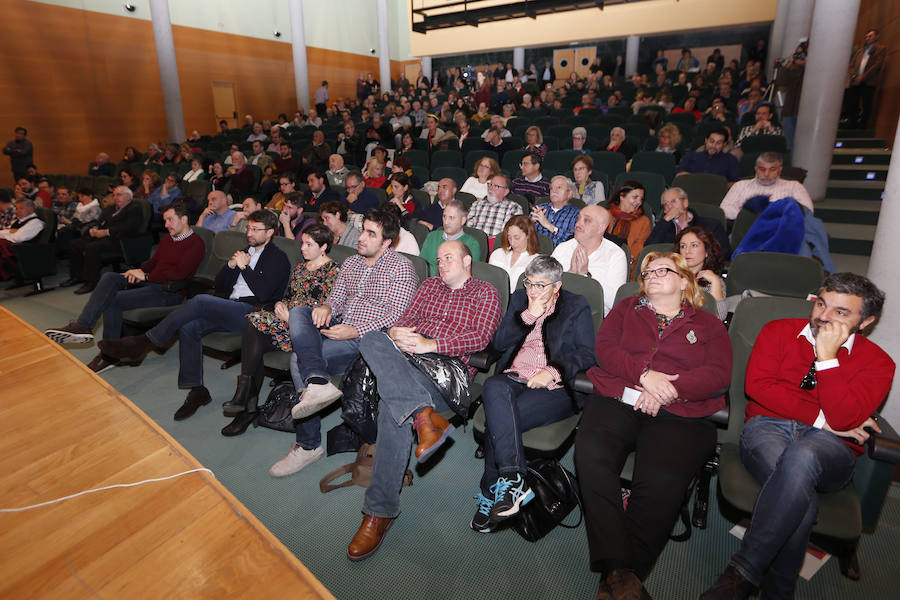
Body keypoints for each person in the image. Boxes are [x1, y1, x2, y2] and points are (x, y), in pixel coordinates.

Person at [700, 273, 894, 600]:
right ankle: (778, 593)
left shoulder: (878, 363)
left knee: (803, 456)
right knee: (799, 499)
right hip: (767, 429)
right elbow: (758, 388)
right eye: (821, 303)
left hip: (831, 450)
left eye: (841, 312)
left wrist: (827, 359)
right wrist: (823, 420)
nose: (823, 316)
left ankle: (744, 571)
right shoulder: (777, 331)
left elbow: (844, 418)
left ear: (866, 321)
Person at [576, 252, 732, 599]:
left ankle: (614, 581)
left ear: (683, 281)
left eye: (664, 270)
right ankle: (620, 571)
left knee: (662, 478)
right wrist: (644, 376)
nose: (652, 275)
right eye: (648, 272)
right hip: (620, 396)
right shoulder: (626, 309)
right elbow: (605, 349)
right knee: (590, 456)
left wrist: (670, 390)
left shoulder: (707, 324)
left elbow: (719, 374)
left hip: (682, 412)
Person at [346, 240, 502, 560]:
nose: (441, 263)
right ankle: (422, 416)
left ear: (467, 261)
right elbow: (403, 318)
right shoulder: (428, 285)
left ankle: (379, 511)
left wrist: (431, 344)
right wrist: (396, 334)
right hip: (405, 360)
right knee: (374, 337)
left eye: (449, 258)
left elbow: (480, 337)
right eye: (439, 259)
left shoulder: (485, 292)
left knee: (392, 408)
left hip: (447, 369)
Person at [98, 210, 291, 421]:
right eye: (249, 228)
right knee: (189, 328)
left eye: (256, 229)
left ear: (270, 232)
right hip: (229, 307)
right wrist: (230, 266)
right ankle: (197, 390)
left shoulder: (278, 258)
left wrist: (244, 268)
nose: (249, 233)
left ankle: (144, 342)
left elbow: (264, 294)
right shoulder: (244, 251)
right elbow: (220, 285)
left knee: (199, 300)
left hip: (253, 314)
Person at [271, 208, 419, 477]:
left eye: (370, 233)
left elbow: (396, 315)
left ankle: (308, 446)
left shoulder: (401, 268)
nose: (361, 237)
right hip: (340, 327)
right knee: (301, 311)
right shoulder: (351, 263)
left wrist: (354, 330)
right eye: (363, 230)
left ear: (386, 242)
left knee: (297, 359)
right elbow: (337, 299)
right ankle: (318, 381)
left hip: (369, 339)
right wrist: (327, 307)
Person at [472, 255, 595, 532]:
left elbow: (587, 353)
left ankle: (492, 493)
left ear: (557, 286)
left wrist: (552, 371)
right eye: (529, 283)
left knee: (498, 420)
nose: (533, 291)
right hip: (513, 378)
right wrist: (528, 315)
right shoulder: (519, 300)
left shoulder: (575, 305)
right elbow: (499, 343)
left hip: (555, 388)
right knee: (493, 386)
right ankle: (513, 480)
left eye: (541, 285)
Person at [45, 202, 205, 372]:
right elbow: (153, 263)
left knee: (114, 301)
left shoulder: (196, 244)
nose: (166, 225)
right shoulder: (167, 239)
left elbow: (179, 274)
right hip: (152, 282)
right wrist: (139, 270)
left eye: (170, 220)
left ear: (184, 219)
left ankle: (108, 356)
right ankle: (83, 326)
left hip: (169, 291)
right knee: (110, 277)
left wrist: (147, 276)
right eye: (165, 221)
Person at [220, 223, 339, 436]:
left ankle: (245, 400)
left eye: (309, 244)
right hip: (283, 322)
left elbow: (327, 309)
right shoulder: (301, 268)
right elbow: (289, 296)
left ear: (324, 247)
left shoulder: (333, 271)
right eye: (302, 243)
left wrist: (293, 315)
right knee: (253, 331)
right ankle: (247, 403)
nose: (302, 248)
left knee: (253, 325)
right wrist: (279, 305)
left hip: (306, 331)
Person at [61, 186, 143, 294]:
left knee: (92, 247)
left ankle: (91, 282)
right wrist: (95, 229)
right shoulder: (110, 208)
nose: (115, 197)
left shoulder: (134, 208)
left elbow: (128, 227)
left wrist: (106, 232)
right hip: (103, 237)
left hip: (122, 241)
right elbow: (100, 222)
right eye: (114, 195)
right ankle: (76, 276)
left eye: (118, 195)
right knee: (74, 244)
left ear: (128, 196)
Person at [552, 205, 627, 315]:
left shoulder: (615, 255)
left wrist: (585, 276)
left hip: (594, 321)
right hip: (559, 314)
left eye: (587, 220)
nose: (578, 224)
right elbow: (544, 288)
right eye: (578, 218)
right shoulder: (563, 248)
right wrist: (569, 275)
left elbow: (615, 302)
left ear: (601, 228)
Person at [719, 152, 813, 220]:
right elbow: (724, 209)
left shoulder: (794, 186)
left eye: (772, 169)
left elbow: (807, 211)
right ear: (756, 169)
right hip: (747, 230)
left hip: (782, 230)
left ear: (779, 170)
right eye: (762, 169)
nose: (767, 174)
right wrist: (750, 216)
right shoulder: (740, 185)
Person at [647, 187, 732, 258]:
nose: (670, 206)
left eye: (673, 201)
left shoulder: (711, 225)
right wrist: (665, 220)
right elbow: (648, 251)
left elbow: (724, 253)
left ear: (685, 202)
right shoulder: (663, 228)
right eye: (665, 204)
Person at [675, 226, 727, 320]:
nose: (687, 251)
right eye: (683, 246)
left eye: (694, 245)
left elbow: (718, 317)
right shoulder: (670, 275)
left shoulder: (713, 281)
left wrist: (715, 282)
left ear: (707, 251)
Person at [419, 198, 481, 271]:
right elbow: (421, 266)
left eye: (451, 218)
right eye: (444, 216)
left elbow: (467, 273)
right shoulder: (432, 236)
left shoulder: (472, 244)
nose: (446, 222)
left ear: (463, 220)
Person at [844, 29, 885, 130]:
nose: (867, 38)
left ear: (876, 37)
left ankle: (863, 125)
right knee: (852, 102)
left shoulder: (880, 49)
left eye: (870, 36)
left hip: (869, 81)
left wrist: (863, 77)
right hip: (856, 81)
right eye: (866, 36)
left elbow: (877, 65)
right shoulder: (860, 51)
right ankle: (852, 123)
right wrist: (854, 76)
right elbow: (851, 65)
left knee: (867, 104)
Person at [488, 215, 539, 292]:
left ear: (528, 235)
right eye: (509, 237)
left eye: (517, 238)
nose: (512, 242)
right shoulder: (497, 254)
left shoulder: (536, 261)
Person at [606, 180, 651, 264]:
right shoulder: (605, 215)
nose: (639, 202)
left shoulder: (644, 222)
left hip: (627, 263)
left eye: (641, 199)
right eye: (635, 197)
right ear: (622, 196)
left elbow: (638, 249)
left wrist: (625, 256)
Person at [467, 173, 525, 240]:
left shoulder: (513, 208)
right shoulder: (477, 204)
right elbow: (468, 229)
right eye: (490, 184)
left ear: (506, 191)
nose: (491, 188)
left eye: (496, 186)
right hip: (474, 243)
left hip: (497, 245)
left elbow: (508, 235)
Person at [675, 126, 741, 183]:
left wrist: (719, 185)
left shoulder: (730, 160)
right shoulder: (691, 156)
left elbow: (736, 183)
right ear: (706, 140)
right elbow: (678, 174)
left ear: (724, 144)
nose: (713, 146)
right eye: (711, 141)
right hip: (690, 191)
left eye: (718, 143)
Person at [0, 198, 44, 280]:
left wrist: (10, 232)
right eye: (16, 208)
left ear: (31, 209)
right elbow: (3, 232)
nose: (18, 211)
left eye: (21, 208)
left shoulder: (35, 222)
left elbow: (18, 238)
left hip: (27, 250)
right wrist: (10, 232)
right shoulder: (19, 221)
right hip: (14, 248)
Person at [530, 176, 580, 246]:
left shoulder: (576, 214)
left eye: (559, 187)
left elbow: (573, 241)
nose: (554, 191)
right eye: (551, 188)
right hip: (534, 251)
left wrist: (549, 225)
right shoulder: (539, 208)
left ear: (569, 193)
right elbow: (522, 234)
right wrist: (530, 223)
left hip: (560, 254)